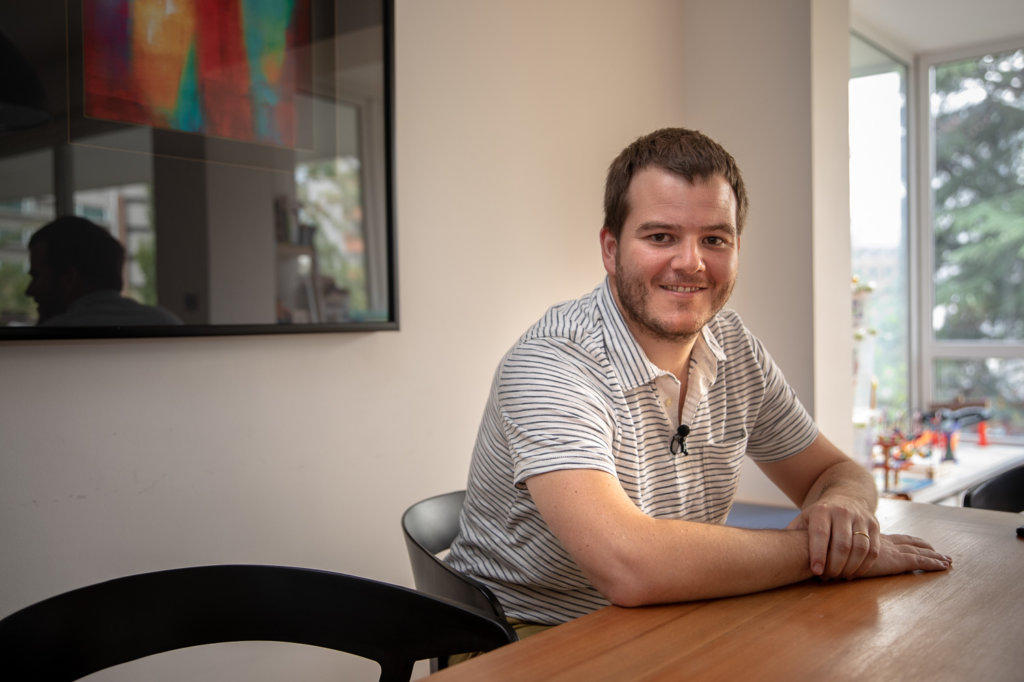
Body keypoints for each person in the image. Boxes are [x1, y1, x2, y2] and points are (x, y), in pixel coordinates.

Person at [445, 128, 950, 635]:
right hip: (524, 640)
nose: (691, 262)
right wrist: (817, 553)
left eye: (714, 239)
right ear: (610, 247)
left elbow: (837, 472)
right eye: (661, 236)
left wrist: (840, 514)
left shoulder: (732, 343)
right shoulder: (551, 363)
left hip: (671, 618)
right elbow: (629, 566)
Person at [25, 216, 182, 327]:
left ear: (69, 278)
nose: (29, 290)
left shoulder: (47, 342)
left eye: (36, 276)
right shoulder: (167, 324)